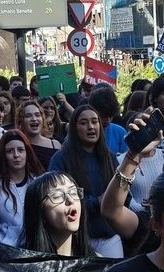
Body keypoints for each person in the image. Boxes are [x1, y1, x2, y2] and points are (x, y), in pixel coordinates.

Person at [51, 104, 123, 257]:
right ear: (74, 128)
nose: (91, 127)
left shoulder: (109, 157)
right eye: (84, 123)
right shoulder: (61, 159)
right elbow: (55, 199)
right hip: (75, 238)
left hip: (109, 236)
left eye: (94, 121)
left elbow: (123, 194)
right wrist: (97, 201)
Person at [0, 129, 42, 246]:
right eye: (10, 151)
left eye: (21, 150)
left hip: (37, 251)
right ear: (3, 155)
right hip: (6, 256)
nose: (16, 155)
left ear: (27, 153)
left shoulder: (38, 183)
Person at [14, 98, 61, 168]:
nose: (34, 119)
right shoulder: (17, 146)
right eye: (28, 116)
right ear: (21, 121)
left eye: (37, 115)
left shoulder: (55, 144)